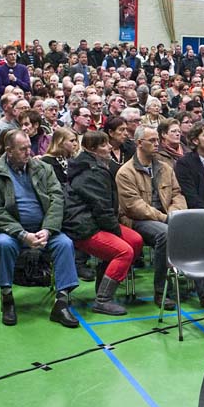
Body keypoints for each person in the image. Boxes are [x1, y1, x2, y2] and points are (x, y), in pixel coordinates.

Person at [0, 129, 80, 327]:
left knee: (65, 243)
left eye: (29, 147)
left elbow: (57, 199)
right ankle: (7, 297)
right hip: (13, 231)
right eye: (23, 149)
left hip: (44, 230)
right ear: (9, 150)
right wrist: (22, 234)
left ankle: (61, 303)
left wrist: (48, 229)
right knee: (2, 244)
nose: (29, 152)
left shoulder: (43, 168)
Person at [63, 131, 143, 316]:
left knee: (136, 240)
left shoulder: (95, 166)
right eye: (104, 145)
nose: (109, 148)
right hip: (83, 226)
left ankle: (105, 270)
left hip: (96, 222)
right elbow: (101, 208)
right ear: (92, 149)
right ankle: (103, 300)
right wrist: (115, 231)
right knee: (124, 251)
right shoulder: (91, 172)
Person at [116, 125, 189, 311]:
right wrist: (166, 218)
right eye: (153, 141)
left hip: (166, 216)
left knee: (197, 226)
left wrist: (174, 213)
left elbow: (177, 194)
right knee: (164, 234)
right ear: (140, 143)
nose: (157, 144)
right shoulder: (126, 172)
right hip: (137, 221)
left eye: (158, 140)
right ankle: (161, 290)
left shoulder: (165, 167)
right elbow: (135, 207)